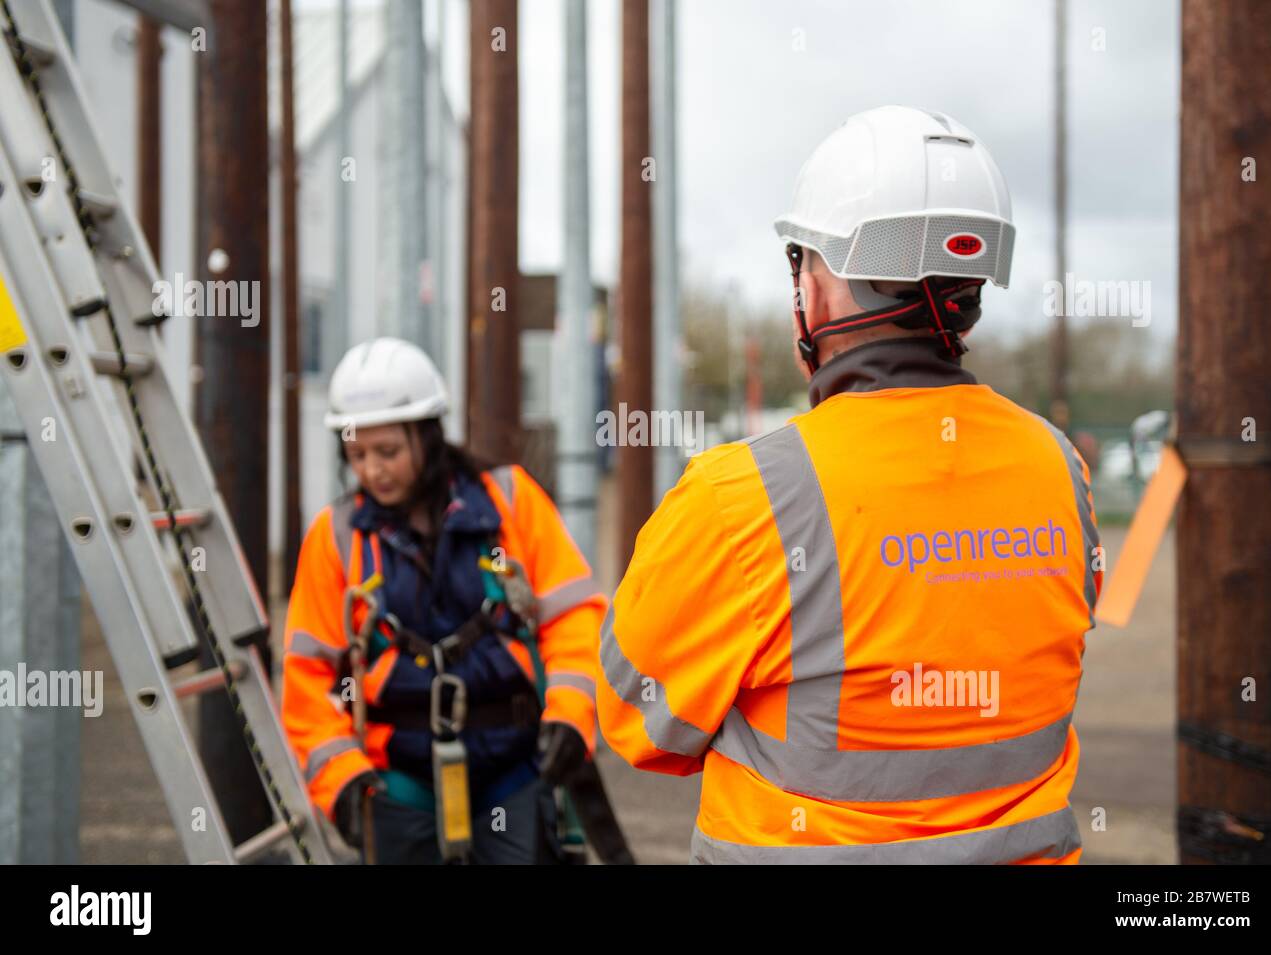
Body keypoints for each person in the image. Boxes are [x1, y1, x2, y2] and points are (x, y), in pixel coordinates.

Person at [596, 106, 1103, 864]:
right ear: (971, 284)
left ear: (820, 286)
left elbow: (640, 720)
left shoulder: (739, 499)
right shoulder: (1059, 468)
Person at [282, 337, 605, 864]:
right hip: (397, 782)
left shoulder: (511, 501)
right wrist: (342, 781)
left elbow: (574, 620)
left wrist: (570, 716)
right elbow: (308, 677)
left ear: (428, 437)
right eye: (356, 454)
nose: (372, 470)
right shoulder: (337, 536)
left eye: (387, 451)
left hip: (516, 768)